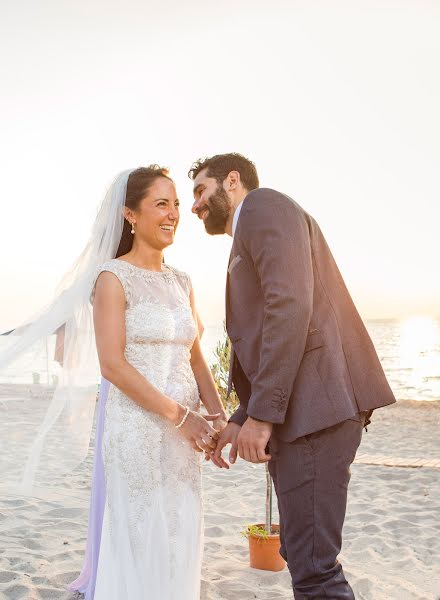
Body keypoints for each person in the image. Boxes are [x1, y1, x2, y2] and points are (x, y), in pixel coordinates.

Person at [0, 166, 227, 600]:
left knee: (179, 534)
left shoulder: (182, 281)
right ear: (130, 215)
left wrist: (216, 420)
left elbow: (196, 354)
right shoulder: (112, 278)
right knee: (141, 536)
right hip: (137, 431)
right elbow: (113, 366)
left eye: (176, 204)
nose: (174, 213)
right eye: (161, 203)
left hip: (186, 439)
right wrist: (184, 418)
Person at [189, 153, 396, 599]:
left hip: (315, 415)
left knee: (315, 571)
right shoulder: (253, 224)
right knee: (306, 560)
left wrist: (262, 416)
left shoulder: (264, 206)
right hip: (305, 414)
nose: (194, 207)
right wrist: (243, 417)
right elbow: (270, 333)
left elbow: (290, 307)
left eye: (200, 191)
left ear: (231, 180)